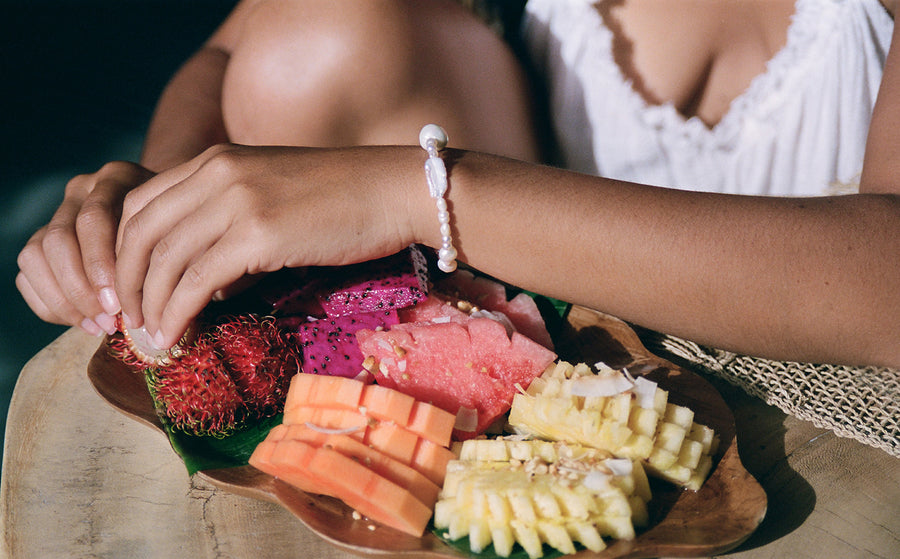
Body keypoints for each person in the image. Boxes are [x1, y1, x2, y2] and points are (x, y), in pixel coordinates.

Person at [15, 0, 900, 371]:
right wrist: (160, 193)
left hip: (832, 370)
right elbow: (236, 41)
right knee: (319, 32)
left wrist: (420, 192)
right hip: (556, 332)